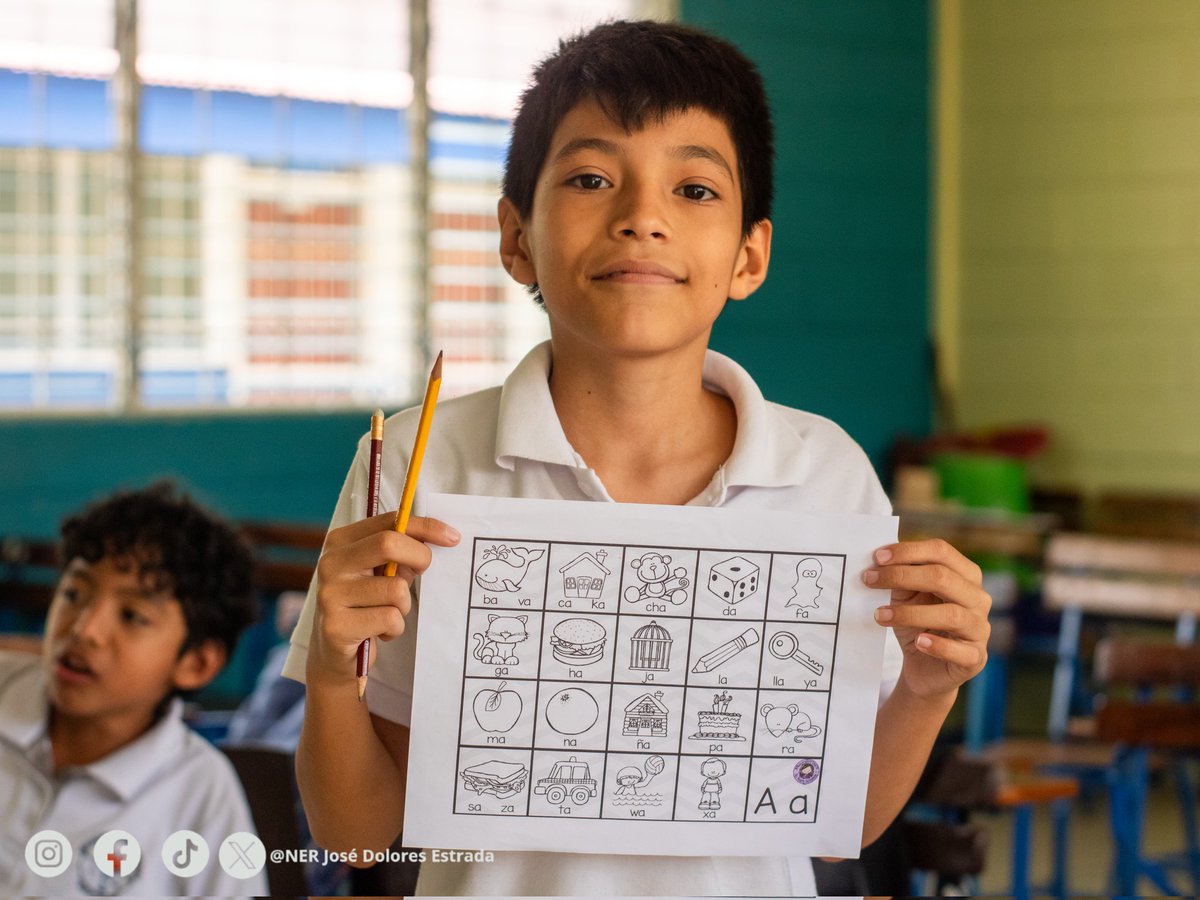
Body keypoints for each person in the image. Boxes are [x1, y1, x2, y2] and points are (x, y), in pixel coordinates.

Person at [286, 19, 991, 896]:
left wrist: (926, 689)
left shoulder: (828, 472)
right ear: (516, 238)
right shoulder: (418, 463)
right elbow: (357, 838)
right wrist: (327, 671)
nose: (642, 219)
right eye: (590, 178)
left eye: (694, 189)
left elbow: (842, 829)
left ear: (750, 255)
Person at [0, 482, 267, 896]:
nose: (84, 629)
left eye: (132, 616)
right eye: (73, 593)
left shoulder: (201, 796)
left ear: (195, 664)